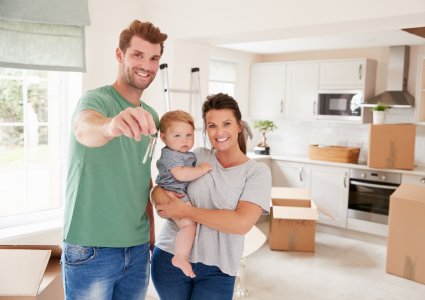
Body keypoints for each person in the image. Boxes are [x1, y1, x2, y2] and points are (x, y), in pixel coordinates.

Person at [62, 20, 167, 300]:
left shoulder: (151, 116)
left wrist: (151, 233)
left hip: (136, 248)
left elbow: (140, 174)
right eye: (137, 55)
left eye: (154, 58)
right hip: (91, 248)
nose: (146, 64)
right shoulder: (96, 102)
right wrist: (112, 126)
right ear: (119, 56)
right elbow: (85, 128)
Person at [151, 93, 272, 300]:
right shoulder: (196, 155)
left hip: (219, 268)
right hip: (170, 257)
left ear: (239, 126)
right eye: (212, 125)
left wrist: (185, 210)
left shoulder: (256, 172)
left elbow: (240, 224)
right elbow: (162, 185)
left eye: (226, 124)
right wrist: (158, 194)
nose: (219, 132)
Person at [154, 110, 213, 278]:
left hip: (176, 193)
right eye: (178, 136)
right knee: (188, 226)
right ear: (164, 138)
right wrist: (201, 169)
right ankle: (180, 257)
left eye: (189, 135)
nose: (185, 140)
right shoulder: (170, 155)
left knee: (189, 224)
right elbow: (181, 175)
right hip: (173, 195)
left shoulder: (183, 153)